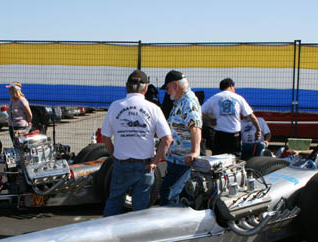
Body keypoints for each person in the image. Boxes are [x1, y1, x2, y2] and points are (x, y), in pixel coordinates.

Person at [101, 70, 172, 217]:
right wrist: (155, 161)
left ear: (127, 87)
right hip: (145, 166)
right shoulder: (154, 109)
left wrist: (113, 154)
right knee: (140, 211)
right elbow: (167, 139)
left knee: (114, 203)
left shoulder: (115, 106)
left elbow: (105, 136)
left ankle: (105, 234)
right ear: (145, 89)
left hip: (121, 164)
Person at [158, 70, 202, 206]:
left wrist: (195, 151)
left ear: (175, 85)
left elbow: (194, 126)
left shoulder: (188, 102)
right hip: (176, 159)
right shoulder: (180, 101)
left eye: (167, 88)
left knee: (169, 195)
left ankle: (169, 225)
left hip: (182, 161)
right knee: (169, 192)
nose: (167, 91)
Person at [201, 78, 261, 157]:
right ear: (231, 86)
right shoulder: (238, 98)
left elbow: (199, 112)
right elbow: (251, 116)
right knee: (235, 157)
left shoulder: (214, 98)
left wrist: (210, 120)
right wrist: (258, 129)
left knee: (218, 156)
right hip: (234, 134)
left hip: (219, 133)